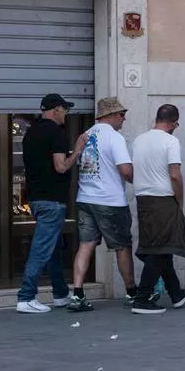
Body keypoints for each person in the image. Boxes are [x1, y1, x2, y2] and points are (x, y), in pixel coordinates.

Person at [16, 94, 87, 314]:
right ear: (56, 109)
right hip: (52, 200)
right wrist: (77, 150)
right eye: (64, 109)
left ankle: (60, 295)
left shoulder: (31, 132)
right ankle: (26, 297)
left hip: (37, 199)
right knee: (41, 249)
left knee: (53, 248)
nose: (66, 113)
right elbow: (61, 167)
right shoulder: (56, 133)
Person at [68, 97, 136, 312]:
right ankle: (133, 292)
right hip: (110, 201)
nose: (124, 118)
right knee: (122, 246)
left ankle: (77, 294)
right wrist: (138, 179)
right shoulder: (114, 137)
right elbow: (125, 170)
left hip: (86, 198)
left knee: (85, 245)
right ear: (112, 115)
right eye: (121, 114)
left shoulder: (86, 134)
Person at [129, 104, 185, 314]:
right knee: (158, 250)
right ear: (174, 123)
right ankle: (142, 298)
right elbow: (175, 174)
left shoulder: (139, 140)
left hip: (143, 199)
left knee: (162, 247)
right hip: (163, 199)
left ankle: (176, 292)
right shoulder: (171, 141)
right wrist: (179, 201)